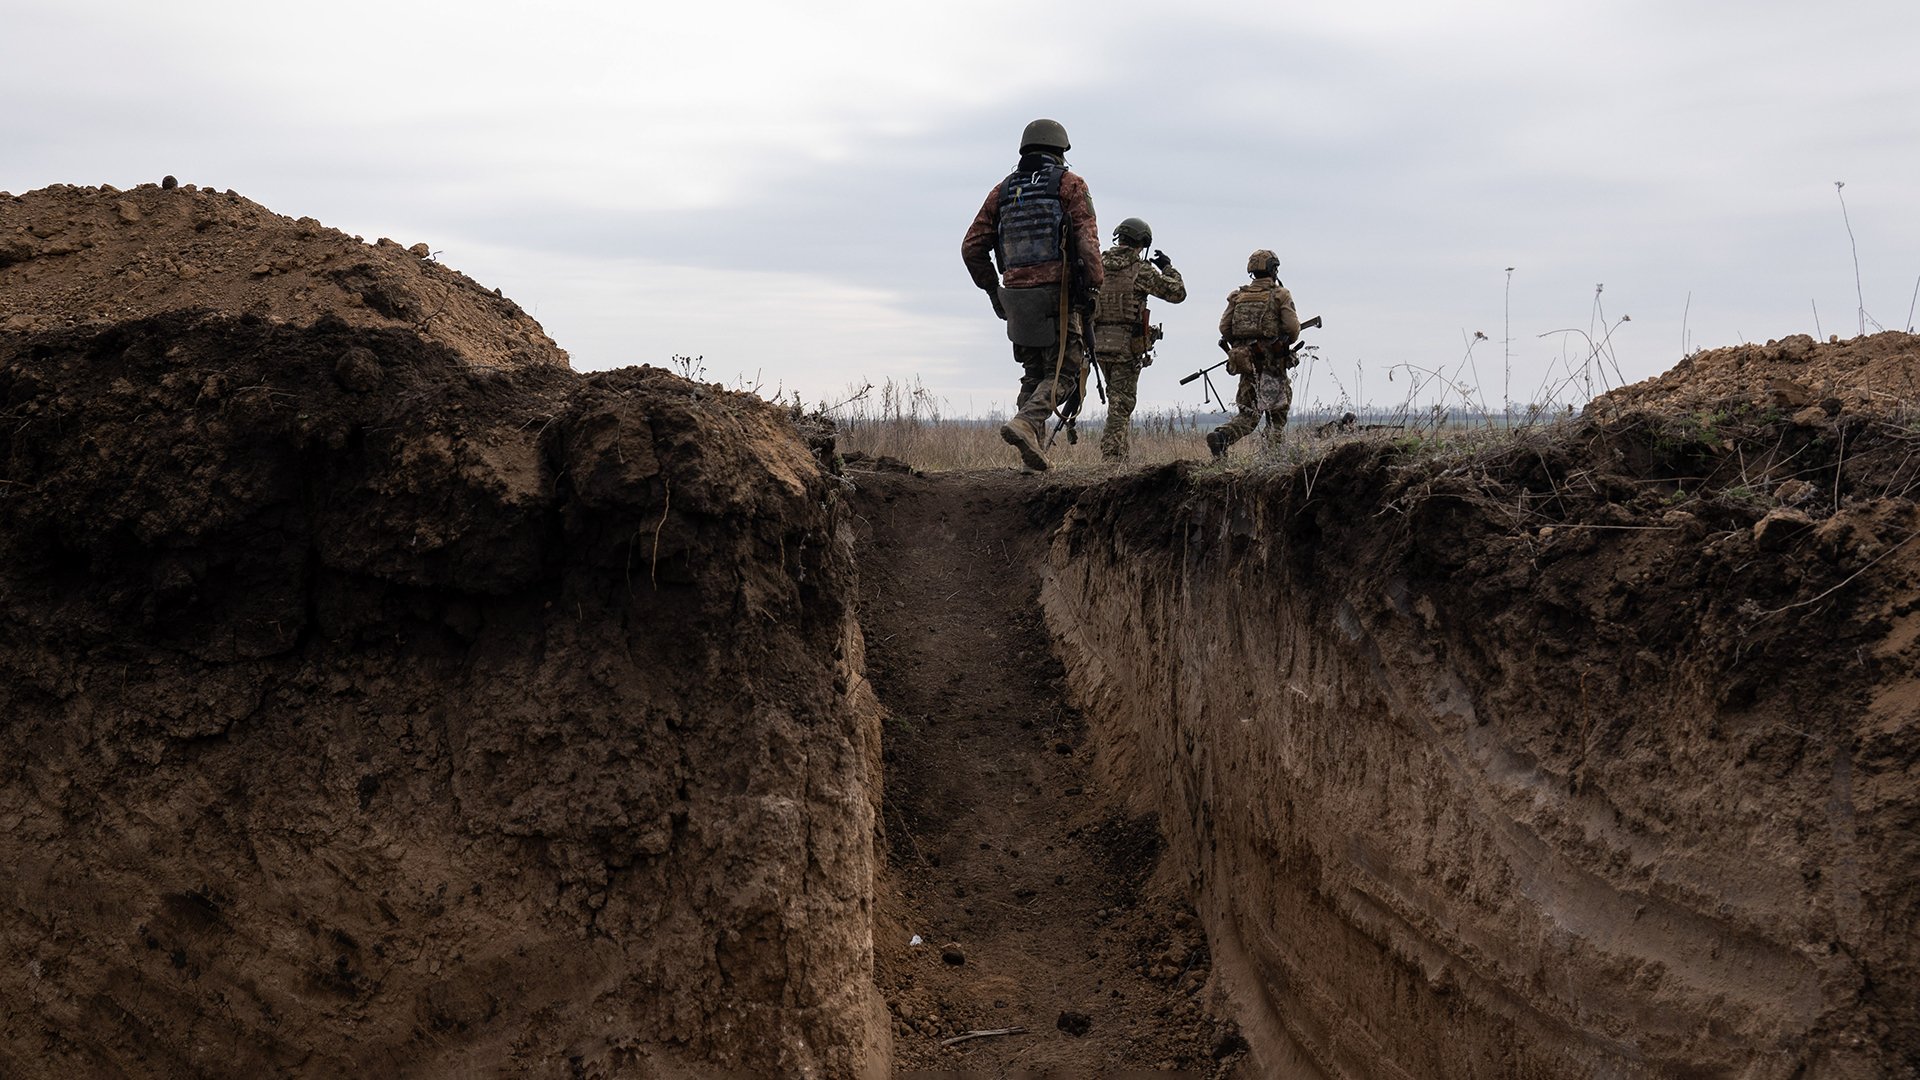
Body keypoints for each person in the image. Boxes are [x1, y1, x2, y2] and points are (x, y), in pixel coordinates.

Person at [961, 118, 1102, 471]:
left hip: (1018, 300)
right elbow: (1087, 245)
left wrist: (996, 292)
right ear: (1060, 152)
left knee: (1033, 374)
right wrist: (1094, 285)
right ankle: (1025, 424)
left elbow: (972, 247)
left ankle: (1032, 457)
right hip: (1058, 298)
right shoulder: (1070, 185)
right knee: (1065, 374)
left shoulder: (1002, 191)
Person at [1090, 218, 1185, 462]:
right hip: (1125, 347)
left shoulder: (1097, 265)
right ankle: (1112, 460)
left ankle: (1120, 459)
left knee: (1116, 400)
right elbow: (1177, 293)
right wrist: (1167, 267)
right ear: (1142, 243)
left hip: (1098, 343)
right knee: (1121, 405)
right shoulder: (1139, 270)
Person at [1206, 249, 1301, 458]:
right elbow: (1293, 329)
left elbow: (1225, 329)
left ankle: (1222, 437)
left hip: (1247, 364)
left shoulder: (1237, 296)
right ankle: (1272, 458)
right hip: (1273, 365)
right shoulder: (1280, 295)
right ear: (1273, 269)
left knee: (1248, 415)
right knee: (1276, 415)